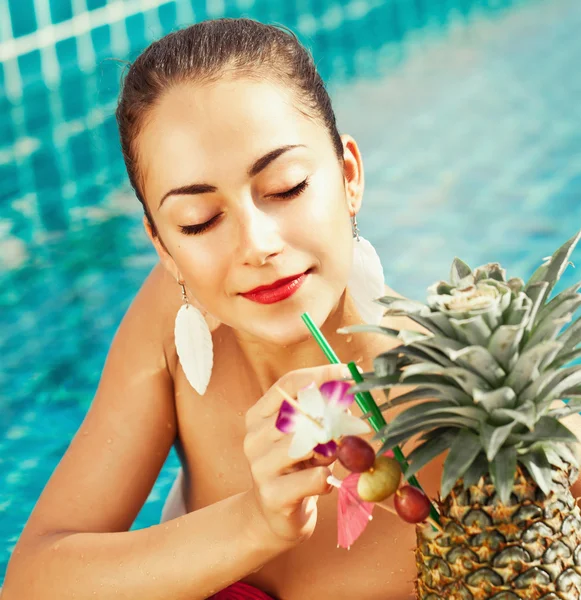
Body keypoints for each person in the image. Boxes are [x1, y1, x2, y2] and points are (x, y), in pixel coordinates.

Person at [4, 17, 577, 600]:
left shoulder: (465, 427)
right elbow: (30, 585)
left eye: (286, 187)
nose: (257, 245)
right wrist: (253, 522)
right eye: (199, 221)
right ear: (166, 248)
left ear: (349, 176)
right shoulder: (181, 321)